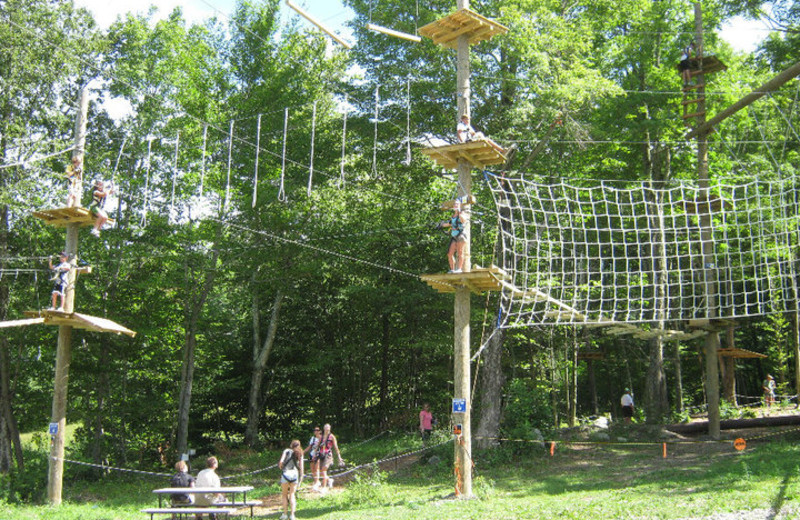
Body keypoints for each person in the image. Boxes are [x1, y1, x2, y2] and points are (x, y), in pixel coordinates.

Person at [439, 201, 468, 273]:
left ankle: (459, 269)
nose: (455, 205)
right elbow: (449, 224)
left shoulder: (462, 214)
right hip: (454, 236)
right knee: (449, 254)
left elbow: (463, 220)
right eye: (455, 204)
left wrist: (459, 212)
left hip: (461, 236)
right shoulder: (453, 216)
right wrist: (440, 225)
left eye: (457, 204)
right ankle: (452, 269)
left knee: (460, 252)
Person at [279, 439, 304, 520]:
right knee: (292, 494)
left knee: (284, 495)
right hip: (294, 474)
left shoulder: (286, 451)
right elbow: (301, 468)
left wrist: (281, 467)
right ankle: (292, 515)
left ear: (291, 445)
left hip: (286, 474)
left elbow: (281, 462)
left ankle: (285, 514)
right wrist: (301, 477)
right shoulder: (300, 453)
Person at [317, 423, 344, 491]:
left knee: (324, 469)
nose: (327, 429)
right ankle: (329, 480)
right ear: (324, 429)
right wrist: (315, 454)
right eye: (325, 428)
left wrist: (339, 457)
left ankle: (324, 487)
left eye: (328, 428)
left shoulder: (332, 437)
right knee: (322, 471)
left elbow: (336, 447)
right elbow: (317, 446)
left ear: (330, 429)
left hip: (328, 455)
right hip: (321, 454)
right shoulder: (321, 437)